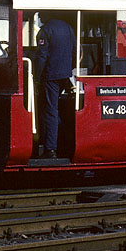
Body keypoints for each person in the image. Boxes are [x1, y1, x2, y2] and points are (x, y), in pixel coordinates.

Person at [36, 12, 76, 158]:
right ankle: (61, 140)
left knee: (49, 110)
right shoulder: (68, 28)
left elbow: (42, 56)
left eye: (40, 15)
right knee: (56, 109)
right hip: (65, 75)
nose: (40, 18)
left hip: (50, 76)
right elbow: (75, 51)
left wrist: (37, 77)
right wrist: (68, 70)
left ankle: (50, 149)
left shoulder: (45, 31)